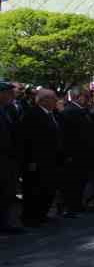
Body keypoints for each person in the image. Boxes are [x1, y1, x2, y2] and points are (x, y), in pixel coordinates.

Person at [21, 89, 62, 226]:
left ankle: (41, 214)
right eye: (53, 98)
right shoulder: (32, 114)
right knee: (34, 189)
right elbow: (28, 139)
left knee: (47, 188)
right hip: (38, 159)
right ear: (43, 100)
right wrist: (31, 160)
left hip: (50, 159)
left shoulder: (52, 114)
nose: (56, 101)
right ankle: (31, 217)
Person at [60, 86, 94, 215]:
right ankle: (71, 207)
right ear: (77, 96)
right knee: (72, 182)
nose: (88, 100)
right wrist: (68, 154)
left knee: (81, 181)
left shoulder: (83, 111)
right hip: (75, 154)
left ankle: (78, 204)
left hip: (85, 154)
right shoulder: (70, 111)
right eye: (86, 96)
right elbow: (66, 135)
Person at [0, 82, 23, 233]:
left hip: (8, 159)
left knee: (7, 192)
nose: (11, 95)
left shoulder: (7, 110)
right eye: (8, 93)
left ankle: (5, 223)